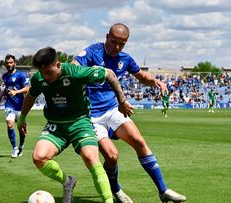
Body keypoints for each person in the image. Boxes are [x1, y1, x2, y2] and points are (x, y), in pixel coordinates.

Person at [73, 23, 186, 203]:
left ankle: (163, 190)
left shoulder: (125, 59)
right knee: (112, 156)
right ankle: (116, 190)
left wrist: (155, 81)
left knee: (139, 141)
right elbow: (73, 66)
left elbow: (142, 76)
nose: (117, 47)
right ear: (106, 37)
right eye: (114, 41)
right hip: (91, 116)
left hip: (112, 109)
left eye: (122, 44)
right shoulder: (92, 52)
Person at [17, 47, 133, 203]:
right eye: (43, 73)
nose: (46, 77)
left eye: (49, 72)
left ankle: (108, 200)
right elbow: (31, 96)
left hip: (80, 122)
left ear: (58, 64)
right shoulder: (39, 78)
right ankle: (67, 182)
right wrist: (22, 117)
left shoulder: (76, 72)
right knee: (39, 158)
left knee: (91, 158)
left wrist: (122, 101)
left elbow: (110, 74)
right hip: (56, 125)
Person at [0, 54, 30, 158]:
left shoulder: (21, 75)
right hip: (9, 105)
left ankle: (21, 145)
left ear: (15, 63)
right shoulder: (4, 76)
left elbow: (27, 88)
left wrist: (16, 92)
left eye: (11, 62)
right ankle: (15, 148)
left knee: (21, 129)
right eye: (7, 63)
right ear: (5, 64)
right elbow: (7, 88)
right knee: (10, 124)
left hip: (21, 106)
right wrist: (1, 95)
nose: (9, 64)